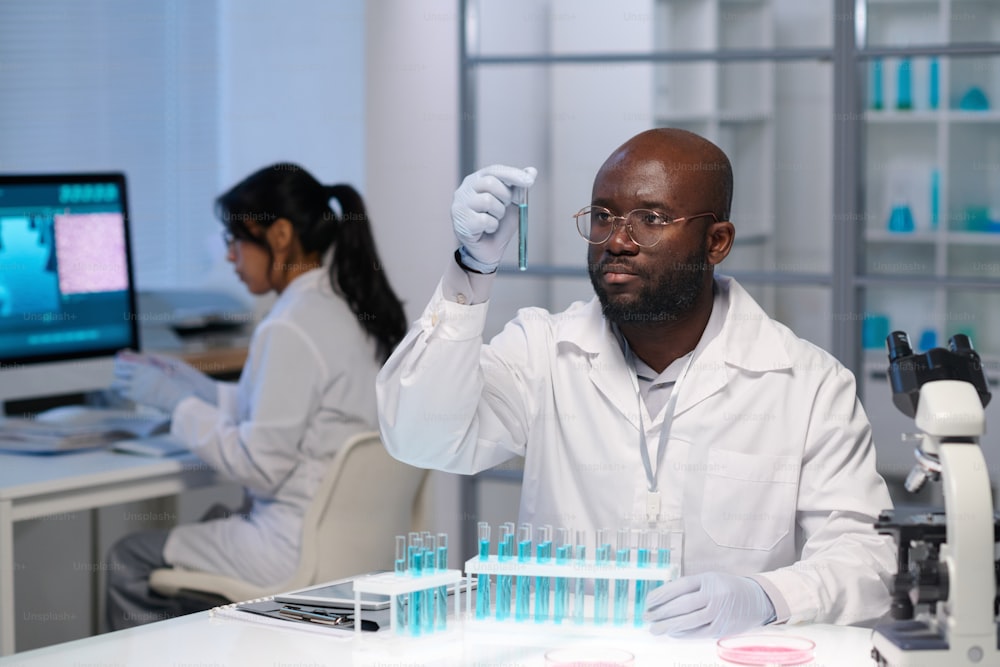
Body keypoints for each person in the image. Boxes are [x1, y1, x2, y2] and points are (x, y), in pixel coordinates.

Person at [376, 128, 896, 638]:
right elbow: (420, 436)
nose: (617, 241)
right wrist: (472, 268)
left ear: (717, 242)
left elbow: (868, 561)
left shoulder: (807, 385)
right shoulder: (543, 353)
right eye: (603, 216)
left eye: (652, 219)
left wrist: (766, 598)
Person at [105, 163, 407, 629]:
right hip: (354, 548)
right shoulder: (350, 309)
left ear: (280, 235)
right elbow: (290, 416)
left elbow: (259, 468)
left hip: (290, 550)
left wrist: (177, 404)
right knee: (213, 517)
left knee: (128, 557)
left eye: (235, 241)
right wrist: (199, 388)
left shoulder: (289, 324)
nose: (230, 258)